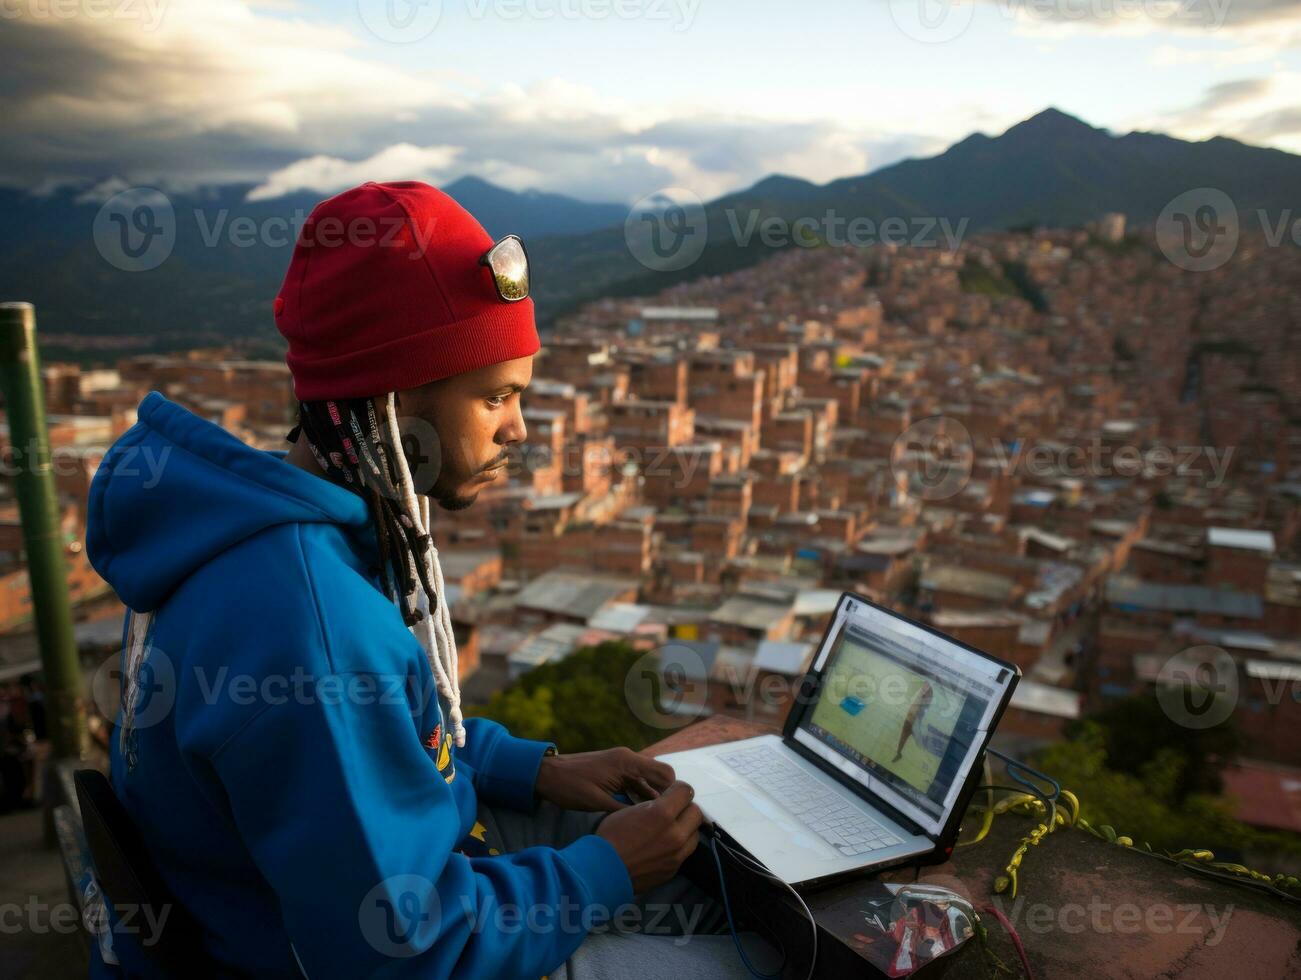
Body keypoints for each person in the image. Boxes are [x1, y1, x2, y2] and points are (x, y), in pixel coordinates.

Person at [85, 181, 777, 978]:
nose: (519, 428)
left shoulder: (283, 531)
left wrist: (533, 768)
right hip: (381, 947)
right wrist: (605, 873)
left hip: (353, 890)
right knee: (763, 954)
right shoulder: (314, 628)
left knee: (713, 884)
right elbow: (408, 952)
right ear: (391, 404)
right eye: (495, 397)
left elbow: (381, 748)